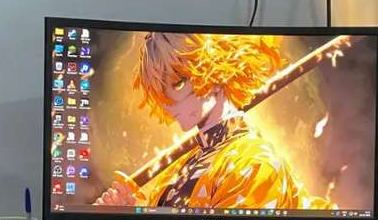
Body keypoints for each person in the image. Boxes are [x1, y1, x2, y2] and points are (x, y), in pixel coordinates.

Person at [94, 31, 332, 210]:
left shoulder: (254, 163)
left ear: (216, 71)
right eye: (162, 90)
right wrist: (127, 212)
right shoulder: (181, 167)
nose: (169, 102)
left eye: (178, 83)